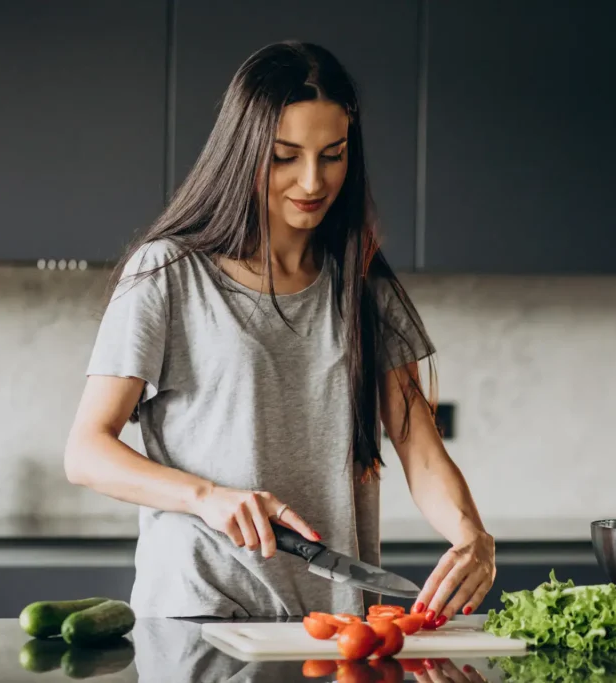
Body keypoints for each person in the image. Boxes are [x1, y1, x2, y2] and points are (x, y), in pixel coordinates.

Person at [64, 41, 494, 625]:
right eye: (285, 156)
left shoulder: (362, 285)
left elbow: (417, 444)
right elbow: (87, 451)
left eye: (333, 155)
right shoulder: (168, 274)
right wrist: (207, 498)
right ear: (243, 152)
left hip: (334, 626)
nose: (313, 181)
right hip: (203, 616)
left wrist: (472, 536)